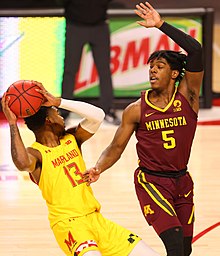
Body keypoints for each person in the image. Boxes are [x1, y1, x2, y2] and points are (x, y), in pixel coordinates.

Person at [83, 2, 204, 256]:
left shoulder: (188, 97)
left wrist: (160, 25)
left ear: (174, 74)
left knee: (184, 249)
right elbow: (116, 147)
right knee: (173, 244)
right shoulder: (136, 109)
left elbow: (195, 50)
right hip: (151, 181)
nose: (152, 71)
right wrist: (98, 168)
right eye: (150, 68)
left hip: (182, 180)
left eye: (159, 67)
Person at [1, 81, 159, 256]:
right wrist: (13, 124)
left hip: (96, 220)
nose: (62, 117)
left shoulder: (72, 138)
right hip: (69, 225)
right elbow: (22, 163)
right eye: (57, 114)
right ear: (48, 121)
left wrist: (58, 102)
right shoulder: (36, 154)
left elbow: (98, 115)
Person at [58, 0, 120, 125]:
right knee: (70, 70)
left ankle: (107, 109)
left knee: (104, 70)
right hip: (75, 25)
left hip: (99, 26)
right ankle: (64, 111)